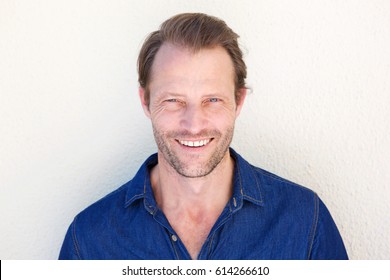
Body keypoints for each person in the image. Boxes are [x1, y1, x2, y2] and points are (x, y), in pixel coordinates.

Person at [59, 13, 348, 260]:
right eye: (173, 100)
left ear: (239, 101)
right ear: (145, 102)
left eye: (212, 100)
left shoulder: (304, 221)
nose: (193, 124)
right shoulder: (89, 239)